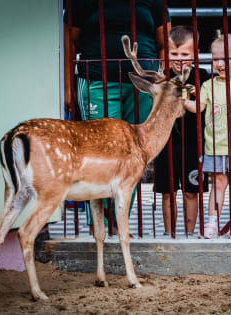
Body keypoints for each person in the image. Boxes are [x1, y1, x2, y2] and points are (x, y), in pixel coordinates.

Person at [64, 0, 171, 234]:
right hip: (95, 80)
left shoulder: (155, 2)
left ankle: (119, 222)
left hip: (143, 85)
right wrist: (67, 86)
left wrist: (163, 85)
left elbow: (165, 44)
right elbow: (69, 40)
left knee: (133, 153)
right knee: (99, 151)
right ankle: (98, 224)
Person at [184, 32, 231, 239]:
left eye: (226, 59)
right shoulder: (208, 85)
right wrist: (183, 102)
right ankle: (212, 223)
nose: (220, 63)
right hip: (215, 144)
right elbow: (199, 108)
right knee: (218, 183)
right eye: (216, 59)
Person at [154, 25, 209, 236]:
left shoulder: (203, 76)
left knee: (191, 192)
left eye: (185, 54)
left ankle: (188, 236)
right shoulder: (161, 76)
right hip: (165, 143)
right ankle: (170, 236)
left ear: (195, 54)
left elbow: (202, 111)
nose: (178, 59)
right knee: (167, 193)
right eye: (174, 54)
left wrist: (189, 95)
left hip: (193, 143)